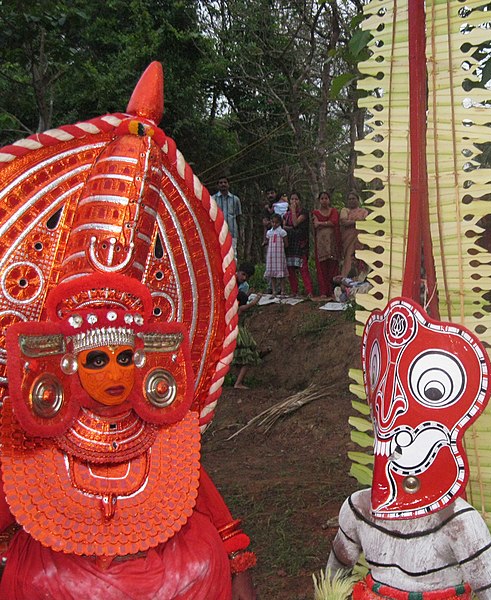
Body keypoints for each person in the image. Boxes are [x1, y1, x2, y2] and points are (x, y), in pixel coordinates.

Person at [0, 62, 256, 599]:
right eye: (97, 360)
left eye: (125, 357)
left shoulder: (166, 433)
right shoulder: (33, 440)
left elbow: (214, 512)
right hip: (61, 574)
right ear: (62, 361)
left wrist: (235, 560)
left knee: (199, 555)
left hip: (173, 573)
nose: (114, 372)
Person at [326, 299, 491, 600]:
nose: (389, 415)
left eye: (433, 389)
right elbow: (332, 584)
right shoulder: (357, 511)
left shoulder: (460, 524)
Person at [232, 263, 261, 389]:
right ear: (238, 271)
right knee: (248, 354)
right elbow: (239, 309)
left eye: (246, 276)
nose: (244, 278)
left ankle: (237, 381)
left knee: (239, 355)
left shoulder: (234, 286)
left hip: (232, 326)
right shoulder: (232, 287)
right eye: (243, 274)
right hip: (236, 326)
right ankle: (238, 383)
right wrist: (253, 303)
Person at [284, 191, 314, 297]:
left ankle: (309, 291)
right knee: (290, 268)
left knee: (303, 268)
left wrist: (293, 211)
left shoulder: (303, 212)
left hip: (301, 243)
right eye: (292, 199)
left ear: (300, 201)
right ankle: (294, 291)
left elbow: (296, 223)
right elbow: (283, 226)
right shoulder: (286, 214)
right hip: (290, 243)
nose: (294, 201)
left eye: (296, 199)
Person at [312, 191, 340, 299]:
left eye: (326, 198)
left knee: (333, 267)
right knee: (322, 268)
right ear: (319, 200)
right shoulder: (315, 212)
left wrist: (322, 224)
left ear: (329, 200)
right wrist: (326, 224)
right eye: (322, 198)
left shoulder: (333, 211)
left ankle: (333, 291)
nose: (324, 200)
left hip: (332, 243)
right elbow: (315, 225)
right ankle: (323, 291)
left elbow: (334, 222)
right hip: (321, 244)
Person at [212, 176, 243, 260]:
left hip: (232, 231)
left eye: (225, 182)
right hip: (217, 232)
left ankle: (232, 273)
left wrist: (240, 233)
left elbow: (238, 217)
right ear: (217, 185)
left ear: (228, 185)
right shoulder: (213, 199)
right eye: (221, 183)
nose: (223, 184)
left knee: (232, 254)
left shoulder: (235, 199)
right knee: (218, 254)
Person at [339, 190, 368, 278]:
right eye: (349, 199)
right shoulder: (345, 210)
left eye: (353, 198)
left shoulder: (363, 211)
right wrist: (357, 222)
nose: (351, 200)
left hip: (360, 240)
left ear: (358, 200)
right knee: (349, 259)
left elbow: (366, 222)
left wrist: (352, 222)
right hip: (348, 240)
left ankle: (360, 281)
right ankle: (346, 281)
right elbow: (343, 222)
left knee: (360, 260)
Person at [263, 213, 288, 296]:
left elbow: (286, 243)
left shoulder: (282, 232)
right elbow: (267, 241)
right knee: (272, 274)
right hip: (271, 255)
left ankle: (283, 290)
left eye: (276, 223)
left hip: (280, 255)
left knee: (281, 274)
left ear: (279, 223)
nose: (274, 224)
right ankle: (274, 290)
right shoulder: (269, 232)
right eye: (273, 222)